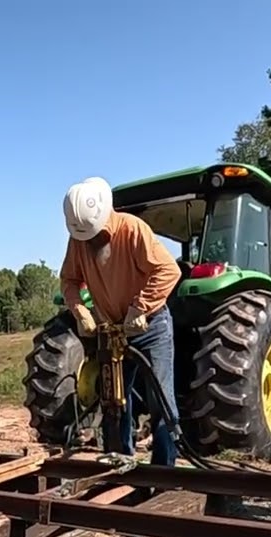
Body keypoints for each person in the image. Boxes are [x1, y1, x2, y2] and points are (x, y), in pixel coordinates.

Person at [59, 176, 183, 466]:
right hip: (112, 330)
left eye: (93, 235)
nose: (90, 241)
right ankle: (119, 464)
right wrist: (80, 311)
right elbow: (69, 280)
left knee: (161, 401)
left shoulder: (132, 229)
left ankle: (163, 470)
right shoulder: (78, 239)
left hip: (150, 326)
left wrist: (140, 308)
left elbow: (168, 271)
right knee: (114, 402)